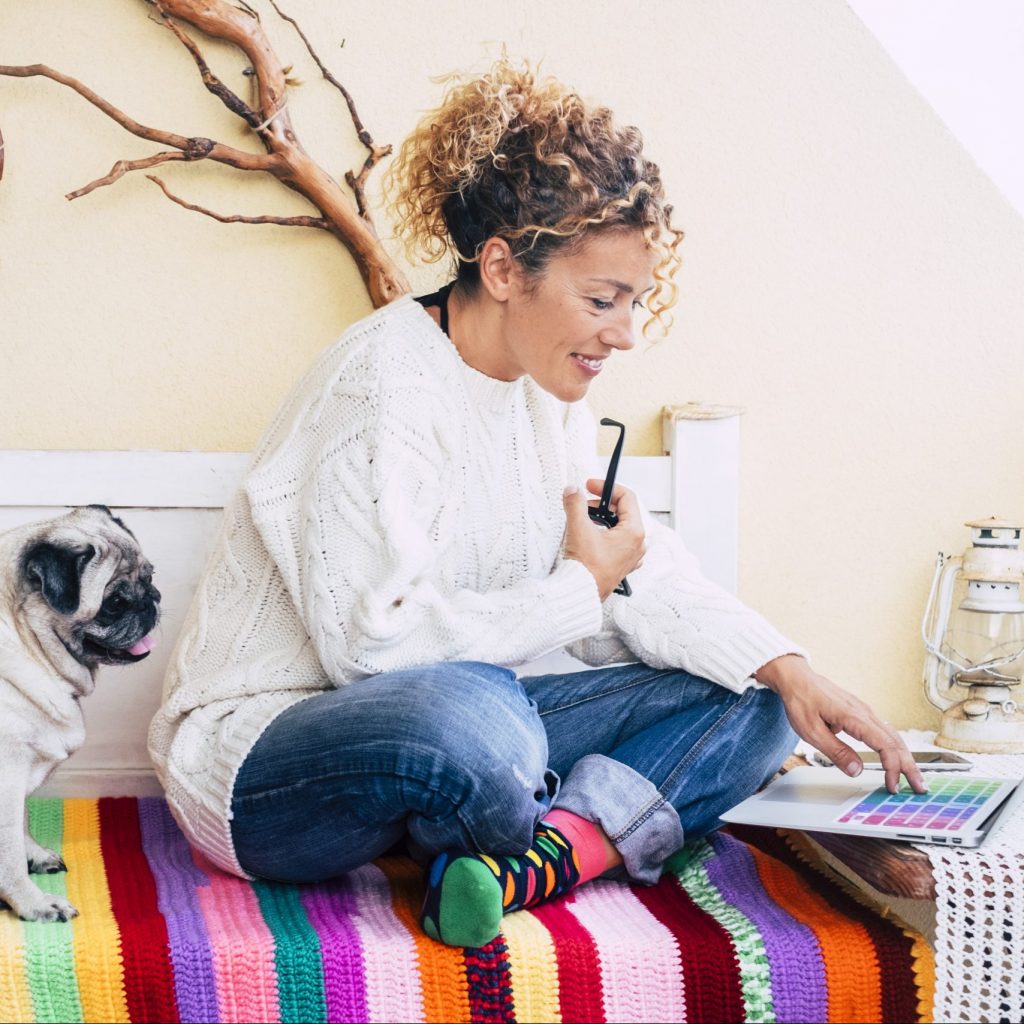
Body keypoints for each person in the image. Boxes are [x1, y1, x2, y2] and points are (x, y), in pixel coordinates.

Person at [149, 59, 925, 949]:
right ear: (503, 268)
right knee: (477, 724)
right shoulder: (378, 389)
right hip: (265, 765)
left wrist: (789, 669)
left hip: (467, 724)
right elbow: (370, 653)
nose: (624, 334)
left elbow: (628, 577)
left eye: (634, 303)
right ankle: (568, 815)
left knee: (752, 707)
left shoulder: (546, 396)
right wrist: (579, 588)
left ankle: (539, 858)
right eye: (601, 300)